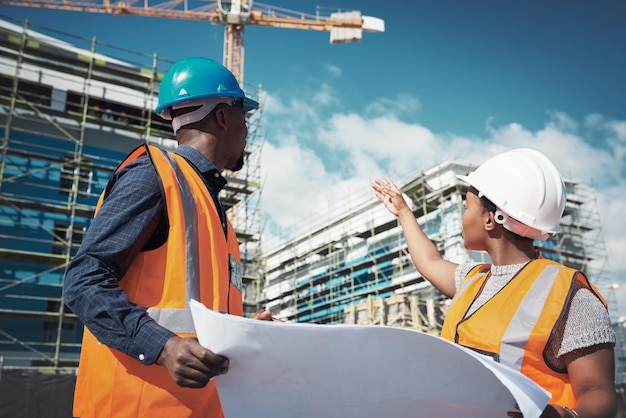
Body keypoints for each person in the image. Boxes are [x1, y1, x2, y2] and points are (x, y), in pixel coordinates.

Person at [64, 57, 274, 417]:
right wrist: (162, 347)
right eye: (244, 116)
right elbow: (83, 281)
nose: (247, 128)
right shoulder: (153, 177)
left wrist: (244, 335)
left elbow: (193, 317)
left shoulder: (212, 211)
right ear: (223, 117)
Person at [372, 148, 617, 418]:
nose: (463, 218)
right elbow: (429, 262)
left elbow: (599, 393)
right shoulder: (473, 279)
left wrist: (551, 415)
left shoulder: (571, 295)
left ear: (491, 220)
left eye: (466, 208)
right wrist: (403, 212)